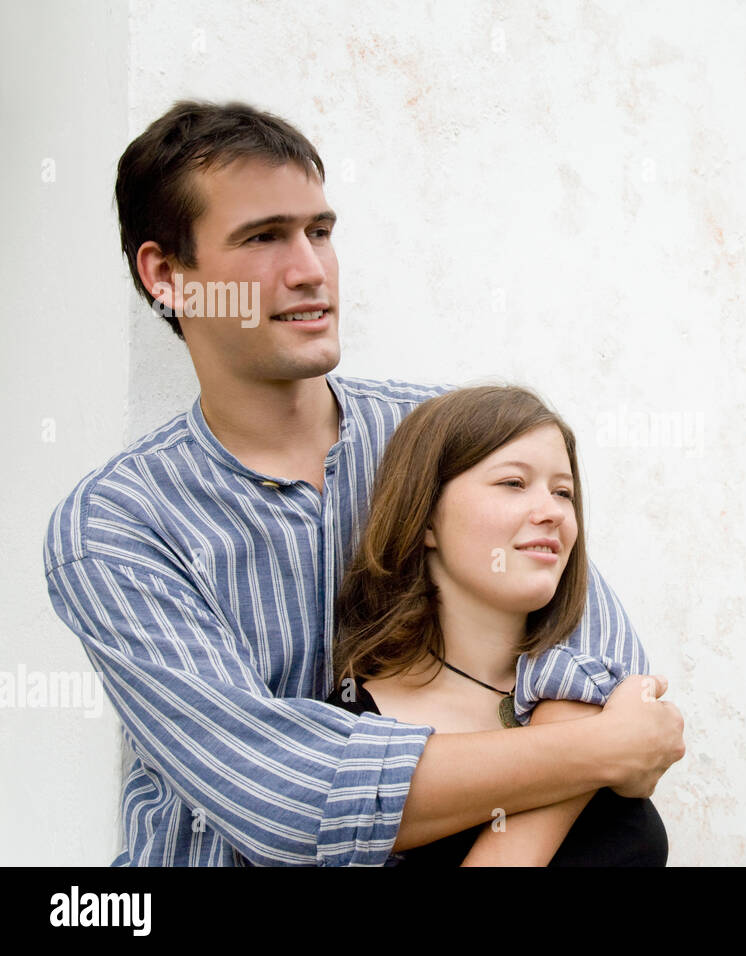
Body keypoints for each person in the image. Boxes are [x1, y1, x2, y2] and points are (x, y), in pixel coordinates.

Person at [43, 100, 685, 866]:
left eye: (319, 231)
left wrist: (508, 851)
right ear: (167, 276)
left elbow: (585, 645)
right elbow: (280, 797)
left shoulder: (433, 434)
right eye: (263, 237)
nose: (310, 269)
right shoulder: (114, 526)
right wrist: (599, 751)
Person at [327, 385, 668, 865]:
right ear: (425, 520)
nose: (551, 512)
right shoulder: (352, 732)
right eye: (513, 483)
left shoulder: (589, 687)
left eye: (563, 492)